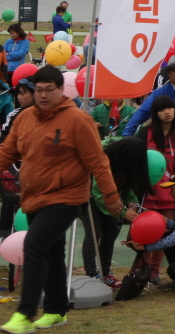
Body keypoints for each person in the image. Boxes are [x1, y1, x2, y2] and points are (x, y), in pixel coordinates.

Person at [0, 65, 125, 334]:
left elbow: (98, 162)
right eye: (39, 90)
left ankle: (25, 313)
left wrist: (111, 195)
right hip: (34, 196)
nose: (43, 96)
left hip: (67, 197)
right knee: (53, 253)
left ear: (60, 90)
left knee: (34, 245)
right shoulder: (24, 118)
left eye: (49, 90)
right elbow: (7, 152)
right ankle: (56, 311)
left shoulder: (77, 121)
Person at [138, 93, 175, 284]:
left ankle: (154, 271)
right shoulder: (145, 133)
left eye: (169, 108)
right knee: (145, 232)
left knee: (163, 234)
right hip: (148, 193)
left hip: (170, 194)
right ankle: (141, 269)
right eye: (161, 109)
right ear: (155, 113)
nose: (167, 112)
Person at [87, 136, 151, 292]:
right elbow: (98, 191)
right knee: (94, 233)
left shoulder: (128, 160)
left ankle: (105, 272)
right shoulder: (103, 158)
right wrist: (123, 212)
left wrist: (132, 202)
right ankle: (91, 275)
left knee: (111, 231)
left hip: (110, 196)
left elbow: (127, 184)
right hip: (88, 194)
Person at [121, 54, 175, 159]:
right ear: (169, 73)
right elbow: (142, 113)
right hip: (161, 148)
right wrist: (127, 135)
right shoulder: (159, 93)